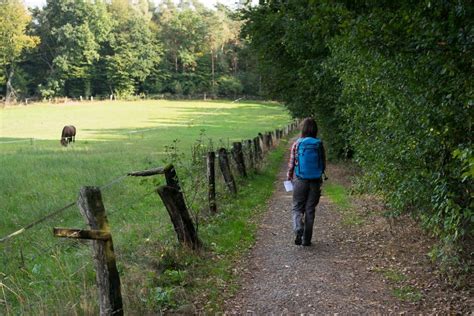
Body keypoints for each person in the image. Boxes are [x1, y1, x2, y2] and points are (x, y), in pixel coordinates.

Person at [287, 118, 326, 246]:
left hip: (300, 180)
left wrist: (289, 177)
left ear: (303, 129)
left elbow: (292, 164)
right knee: (310, 209)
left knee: (297, 207)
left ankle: (298, 227)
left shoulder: (297, 144)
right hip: (315, 180)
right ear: (315, 130)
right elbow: (323, 165)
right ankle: (306, 240)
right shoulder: (319, 144)